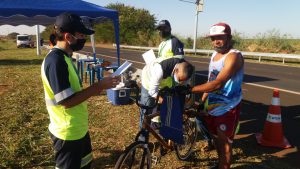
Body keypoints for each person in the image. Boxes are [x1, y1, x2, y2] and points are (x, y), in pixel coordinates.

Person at [41, 12, 120, 169]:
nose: (84, 39)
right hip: (67, 133)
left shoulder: (65, 57)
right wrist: (99, 86)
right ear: (68, 37)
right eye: (81, 35)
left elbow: (73, 93)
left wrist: (98, 87)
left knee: (85, 164)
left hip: (78, 129)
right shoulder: (56, 61)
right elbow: (66, 102)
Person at [191, 22, 244, 169]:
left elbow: (218, 83)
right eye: (213, 38)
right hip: (212, 104)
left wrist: (191, 89)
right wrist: (203, 101)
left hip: (228, 107)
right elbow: (211, 79)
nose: (216, 41)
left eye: (219, 37)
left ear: (229, 37)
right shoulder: (215, 55)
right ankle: (221, 164)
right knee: (216, 140)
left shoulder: (233, 56)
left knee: (225, 143)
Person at [140, 57, 194, 129]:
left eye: (183, 80)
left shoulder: (186, 68)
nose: (180, 82)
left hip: (164, 83)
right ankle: (143, 137)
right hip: (149, 80)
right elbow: (152, 92)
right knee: (146, 110)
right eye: (179, 79)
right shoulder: (160, 69)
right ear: (176, 71)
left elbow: (185, 86)